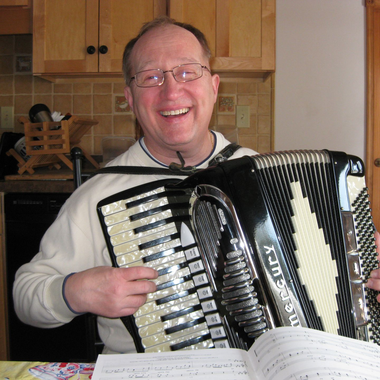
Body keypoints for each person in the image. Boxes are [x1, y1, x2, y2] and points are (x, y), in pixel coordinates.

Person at [12, 16, 258, 354]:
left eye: (187, 71)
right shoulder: (100, 194)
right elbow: (25, 296)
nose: (171, 91)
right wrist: (74, 291)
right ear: (129, 97)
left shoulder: (260, 175)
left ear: (213, 86)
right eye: (150, 77)